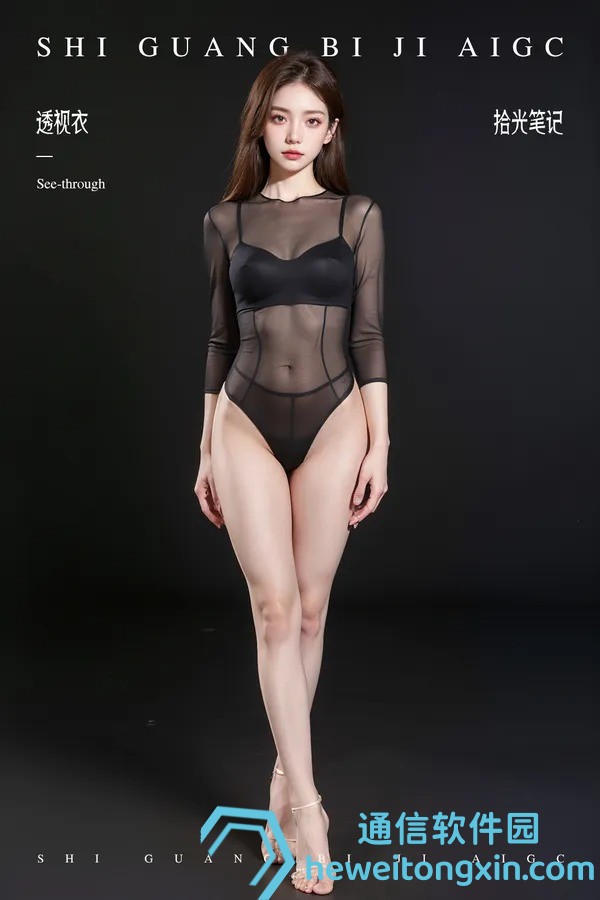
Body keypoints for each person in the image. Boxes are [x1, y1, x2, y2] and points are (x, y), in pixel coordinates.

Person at [194, 48, 390, 894]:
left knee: (309, 612)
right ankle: (308, 807)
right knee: (272, 610)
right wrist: (204, 448)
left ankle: (282, 778)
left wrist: (381, 445)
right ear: (260, 125)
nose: (295, 134)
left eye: (312, 120)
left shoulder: (359, 214)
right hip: (242, 419)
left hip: (338, 417)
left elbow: (369, 337)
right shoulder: (225, 221)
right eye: (280, 118)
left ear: (332, 129)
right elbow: (218, 341)